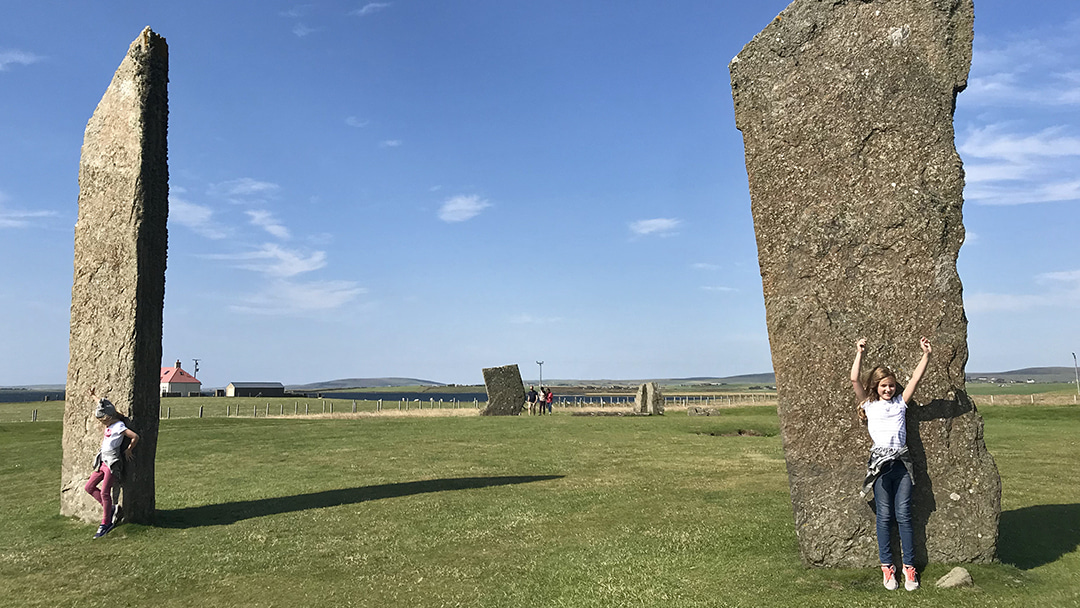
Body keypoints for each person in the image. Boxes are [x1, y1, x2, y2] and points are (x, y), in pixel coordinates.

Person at [850, 337, 931, 592]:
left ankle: (909, 567)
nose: (889, 390)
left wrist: (926, 355)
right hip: (880, 466)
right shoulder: (869, 404)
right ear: (876, 386)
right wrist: (859, 353)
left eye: (892, 386)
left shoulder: (900, 403)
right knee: (884, 516)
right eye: (884, 386)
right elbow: (854, 379)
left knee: (904, 515)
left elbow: (916, 380)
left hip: (902, 464)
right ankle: (887, 567)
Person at [84, 393, 139, 539]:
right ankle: (112, 509)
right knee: (89, 487)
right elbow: (105, 405)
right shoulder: (110, 419)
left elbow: (134, 436)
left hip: (112, 463)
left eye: (103, 420)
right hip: (102, 461)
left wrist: (129, 450)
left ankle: (106, 522)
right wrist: (94, 397)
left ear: (109, 418)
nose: (102, 423)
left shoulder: (119, 426)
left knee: (104, 492)